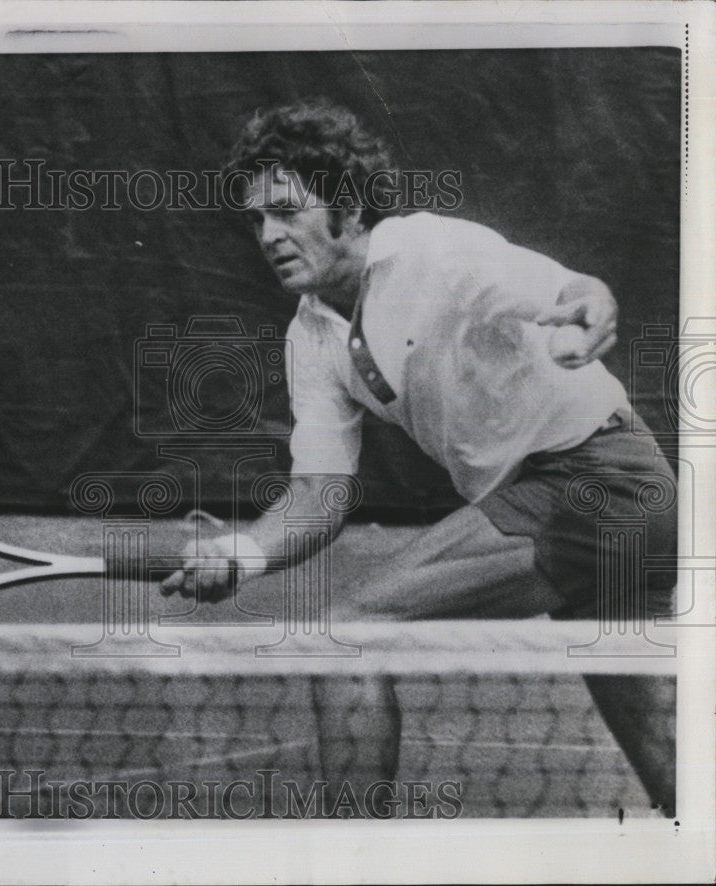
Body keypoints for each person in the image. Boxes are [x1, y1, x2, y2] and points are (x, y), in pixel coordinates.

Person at [160, 99, 677, 814]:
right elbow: (319, 496)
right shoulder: (310, 338)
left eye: (286, 210)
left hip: (594, 482)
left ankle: (353, 861)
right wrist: (243, 554)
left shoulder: (435, 252)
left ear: (344, 202)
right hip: (604, 504)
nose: (269, 235)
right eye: (256, 221)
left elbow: (570, 289)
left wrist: (591, 306)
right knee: (672, 759)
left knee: (344, 635)